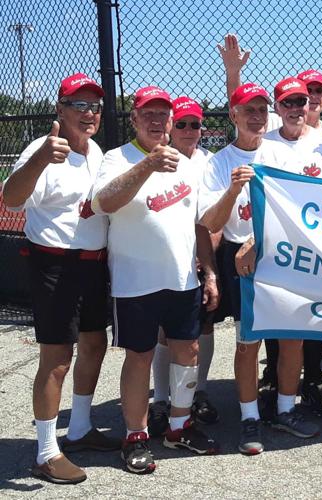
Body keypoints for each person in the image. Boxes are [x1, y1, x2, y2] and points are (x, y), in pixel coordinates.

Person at [92, 86, 220, 474]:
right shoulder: (118, 157)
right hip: (136, 282)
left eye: (162, 114)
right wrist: (147, 164)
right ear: (133, 118)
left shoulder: (186, 162)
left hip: (182, 279)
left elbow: (204, 223)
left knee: (189, 352)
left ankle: (179, 426)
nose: (156, 121)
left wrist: (210, 271)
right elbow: (103, 202)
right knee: (140, 357)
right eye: (147, 113)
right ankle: (136, 436)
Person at [2, 73, 118, 484]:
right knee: (57, 360)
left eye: (95, 107)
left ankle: (82, 427)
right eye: (79, 105)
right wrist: (38, 160)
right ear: (60, 109)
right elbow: (10, 198)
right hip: (55, 265)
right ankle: (46, 452)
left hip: (93, 264)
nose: (89, 114)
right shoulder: (42, 149)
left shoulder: (95, 151)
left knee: (94, 342)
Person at [199, 82, 321, 455]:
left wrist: (260, 240)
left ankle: (286, 408)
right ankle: (249, 416)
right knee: (247, 343)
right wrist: (233, 191)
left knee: (291, 338)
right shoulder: (218, 162)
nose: (256, 116)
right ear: (233, 115)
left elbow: (297, 210)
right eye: (247, 110)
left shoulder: (279, 154)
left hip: (279, 252)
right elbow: (208, 221)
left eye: (260, 109)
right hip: (241, 260)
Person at [262, 76, 322, 417]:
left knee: (316, 315)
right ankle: (277, 382)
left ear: (311, 104)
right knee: (279, 316)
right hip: (279, 244)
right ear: (277, 108)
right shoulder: (265, 144)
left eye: (300, 102)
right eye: (287, 103)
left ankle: (311, 379)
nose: (295, 109)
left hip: (318, 244)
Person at [148, 97, 220, 437]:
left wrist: (207, 263)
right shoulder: (160, 159)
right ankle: (161, 399)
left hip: (202, 256)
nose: (189, 130)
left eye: (195, 124)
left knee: (203, 328)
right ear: (170, 127)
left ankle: (198, 391)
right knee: (167, 333)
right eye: (182, 124)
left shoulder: (210, 162)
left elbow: (213, 217)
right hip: (169, 259)